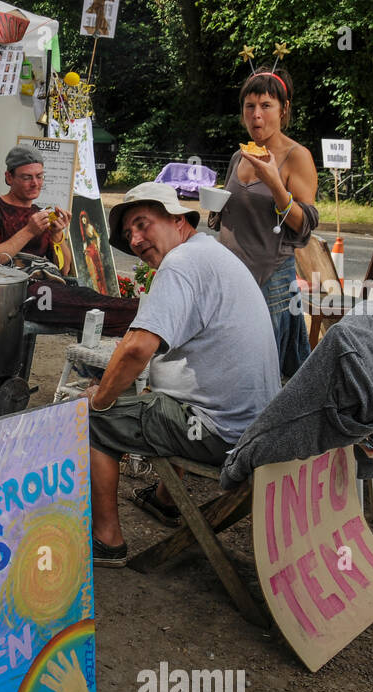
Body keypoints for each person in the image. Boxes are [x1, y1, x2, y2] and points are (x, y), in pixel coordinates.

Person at [85, 183, 281, 566]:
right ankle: (166, 500)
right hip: (256, 424)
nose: (137, 240)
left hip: (224, 434)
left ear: (178, 219)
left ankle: (107, 541)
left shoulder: (181, 264)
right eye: (129, 235)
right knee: (163, 393)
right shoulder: (209, 252)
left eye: (143, 225)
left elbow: (138, 348)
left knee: (92, 419)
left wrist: (100, 398)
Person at [210, 68, 320, 378]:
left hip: (270, 283)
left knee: (262, 372)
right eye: (250, 106)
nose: (256, 115)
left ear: (283, 110)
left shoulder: (296, 156)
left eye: (266, 106)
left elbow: (306, 225)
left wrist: (275, 185)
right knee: (231, 367)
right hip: (231, 280)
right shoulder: (240, 156)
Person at [0, 143, 73, 274]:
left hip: (41, 285)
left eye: (39, 176)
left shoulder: (40, 215)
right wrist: (29, 231)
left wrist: (57, 235)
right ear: (9, 177)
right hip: (6, 286)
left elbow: (64, 270)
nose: (35, 183)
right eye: (27, 177)